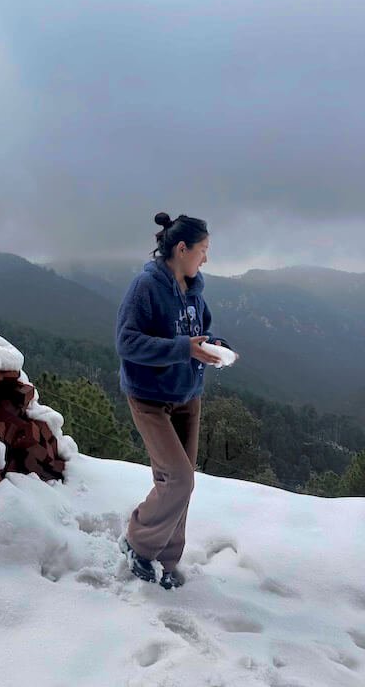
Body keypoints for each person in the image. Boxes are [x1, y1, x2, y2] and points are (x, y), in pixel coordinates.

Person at [115, 212, 234, 589]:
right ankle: (137, 540)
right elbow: (127, 342)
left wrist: (214, 347)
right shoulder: (146, 286)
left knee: (178, 481)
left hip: (187, 396)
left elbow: (202, 332)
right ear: (181, 248)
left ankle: (166, 557)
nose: (206, 258)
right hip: (149, 397)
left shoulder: (194, 290)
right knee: (179, 480)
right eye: (203, 250)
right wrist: (185, 349)